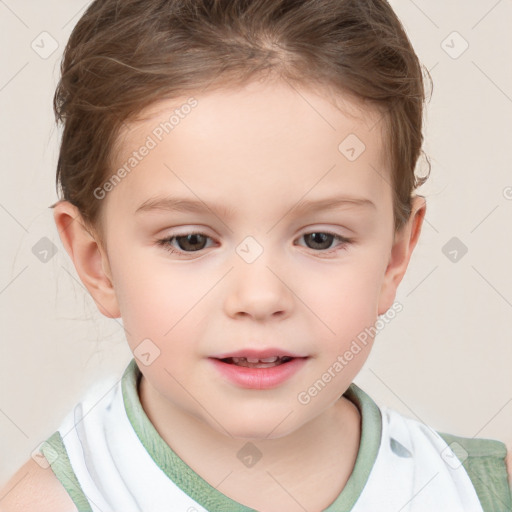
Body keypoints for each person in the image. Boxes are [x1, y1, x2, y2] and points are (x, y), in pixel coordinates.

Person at [1, 0, 511, 510]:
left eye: (320, 239)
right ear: (97, 262)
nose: (261, 297)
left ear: (396, 255)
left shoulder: (479, 494)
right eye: (191, 240)